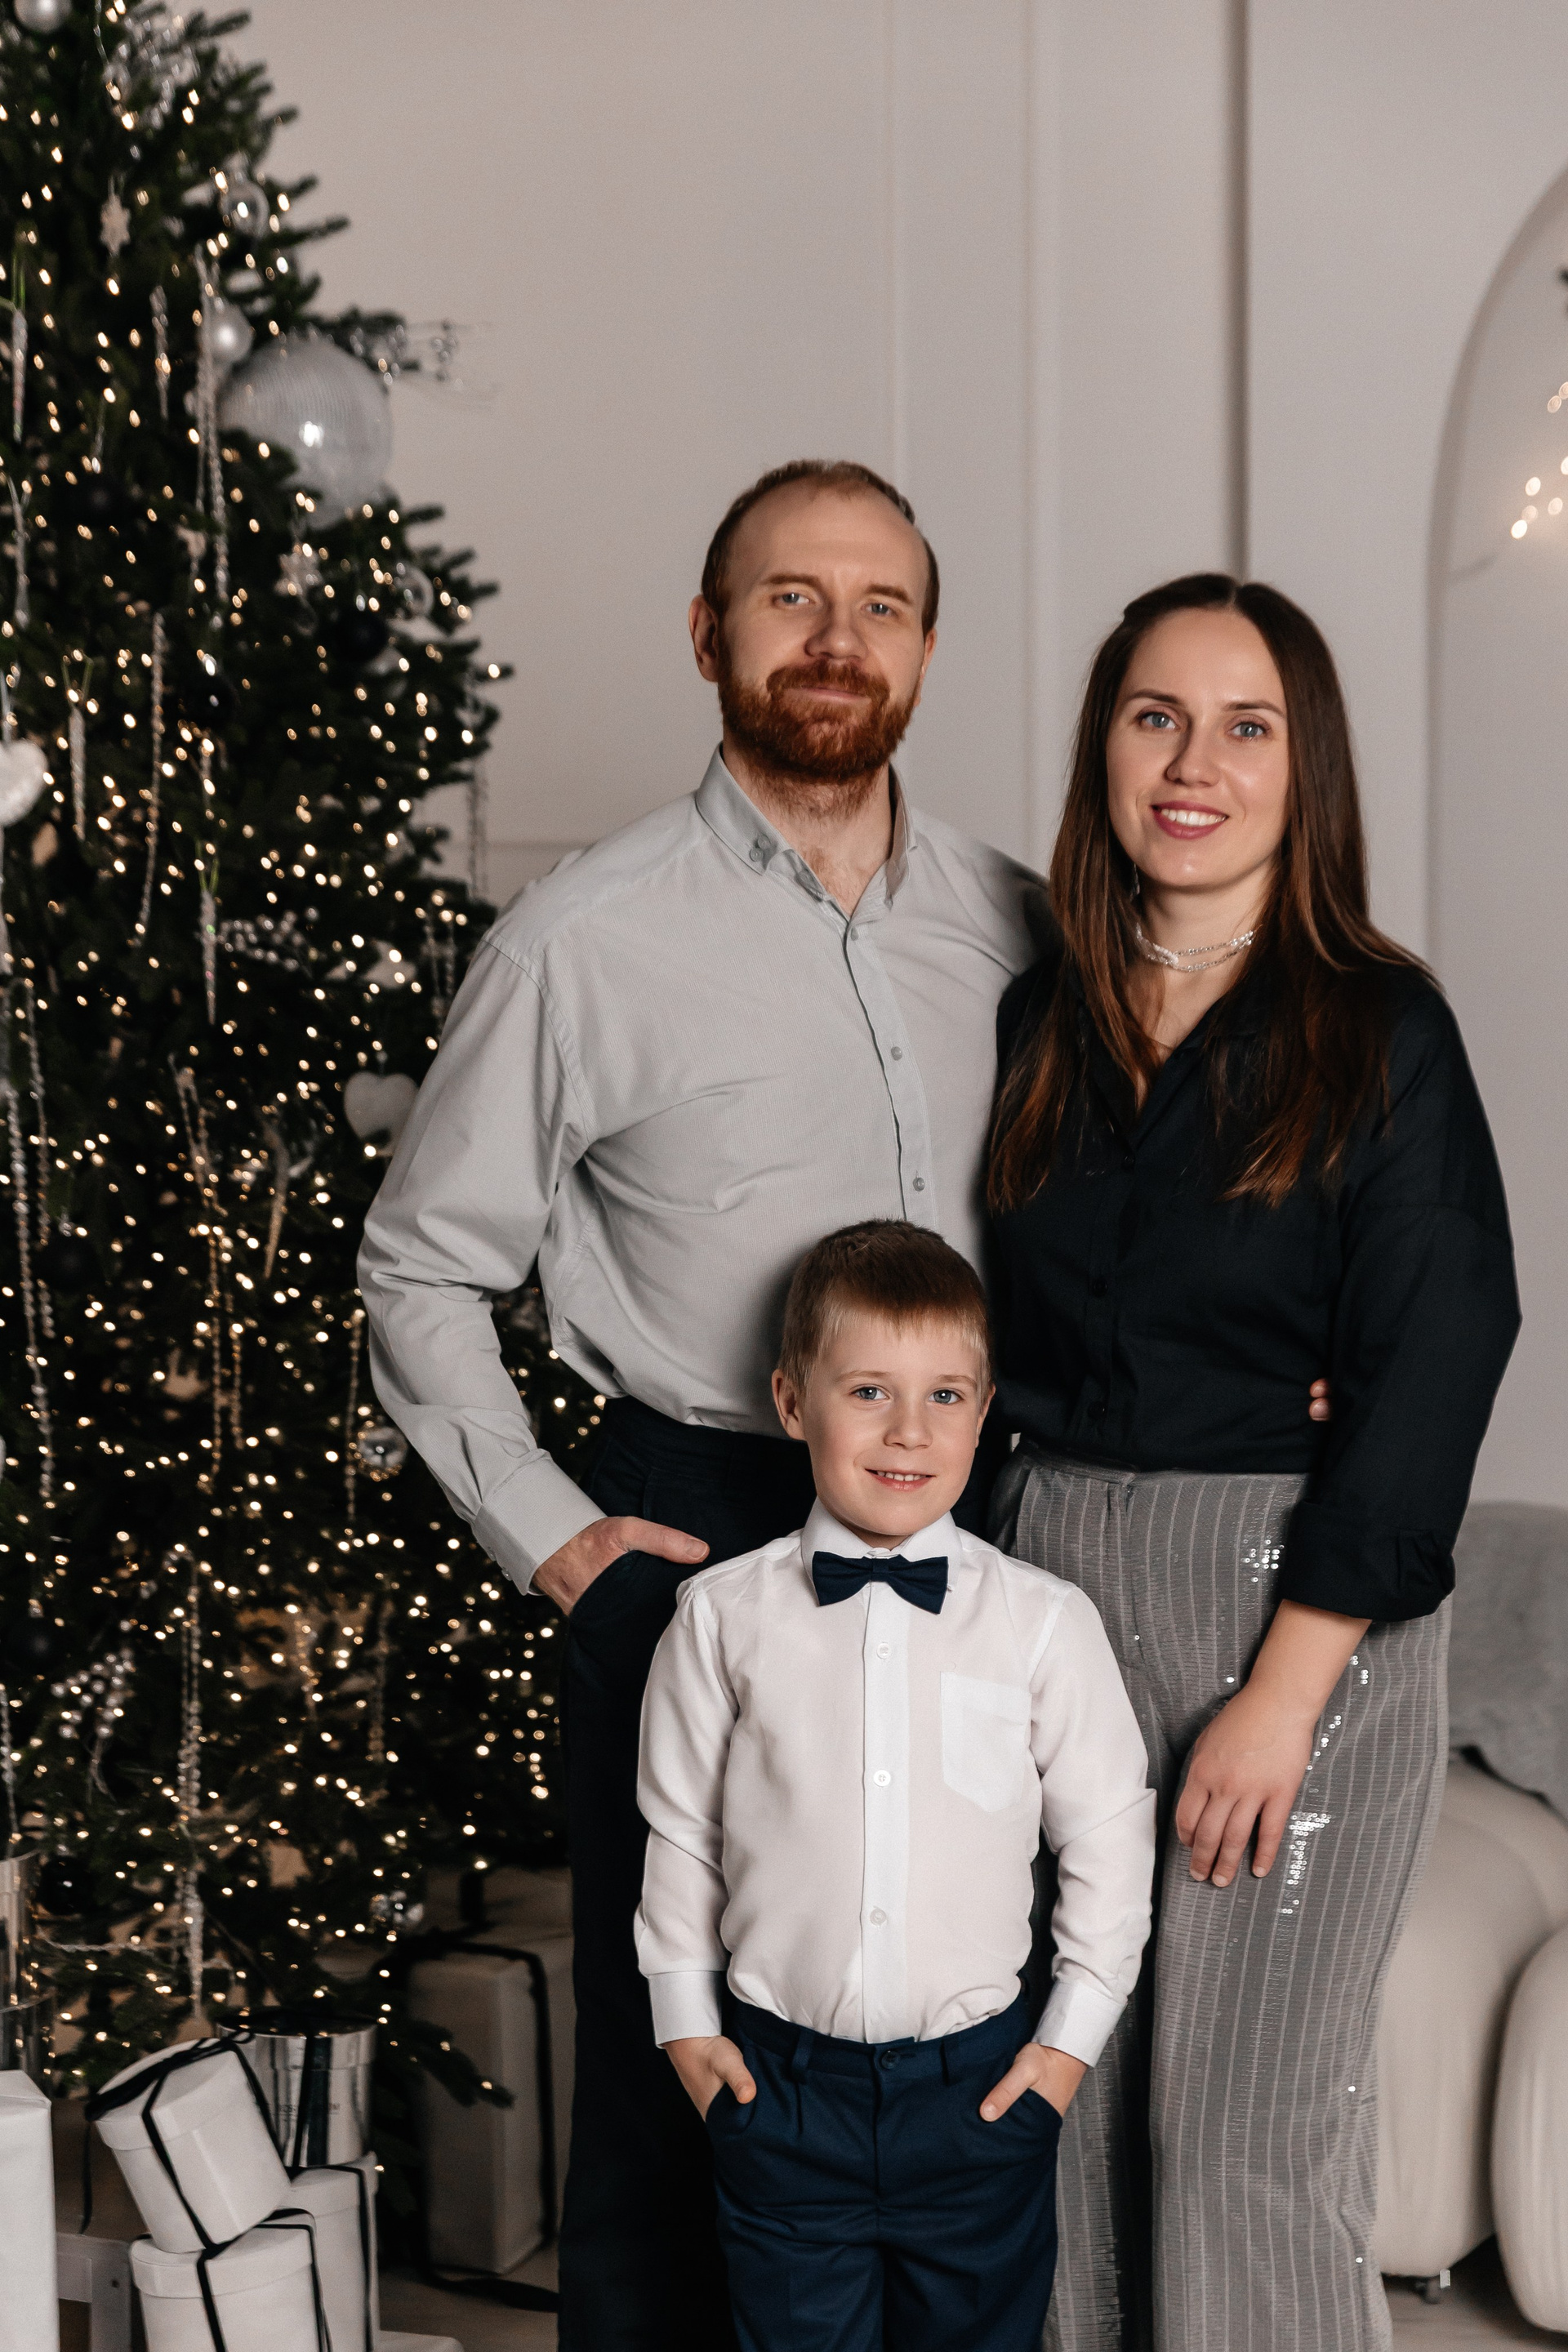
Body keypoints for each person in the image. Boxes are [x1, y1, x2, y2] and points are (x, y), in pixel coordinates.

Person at [357, 459, 1046, 2350]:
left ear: (927, 647)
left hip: (968, 1515)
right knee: (684, 2053)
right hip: (698, 1524)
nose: (837, 640)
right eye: (789, 598)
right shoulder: (583, 938)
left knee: (961, 2025)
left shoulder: (1019, 921)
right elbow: (419, 1264)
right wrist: (554, 1536)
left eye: (881, 605)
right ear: (707, 633)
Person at [985, 572, 1521, 2352]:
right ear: (1104, 750)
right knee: (1060, 2108)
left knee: (1240, 2140)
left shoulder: (1380, 1029)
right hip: (1049, 1591)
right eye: (1156, 717)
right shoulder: (1040, 1022)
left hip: (1292, 1613)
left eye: (1246, 726)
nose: (1193, 763)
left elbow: (1437, 1360)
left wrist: (1286, 1690)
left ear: (1307, 770)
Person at [636, 1220, 1156, 2352]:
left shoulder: (1043, 1622)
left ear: (985, 1409)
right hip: (780, 2093)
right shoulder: (721, 1616)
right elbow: (680, 1833)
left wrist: (1065, 2047)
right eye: (869, 1391)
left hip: (979, 2096)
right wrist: (685, 2029)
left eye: (945, 1396)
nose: (909, 1431)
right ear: (792, 1402)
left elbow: (1110, 1837)